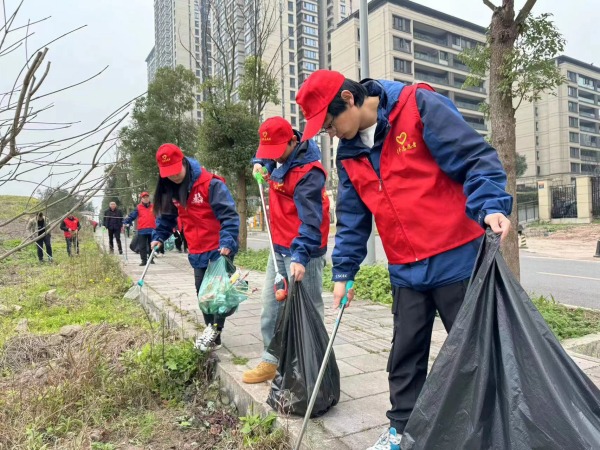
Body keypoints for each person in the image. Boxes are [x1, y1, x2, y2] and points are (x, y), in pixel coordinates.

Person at [296, 70, 513, 450]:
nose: (331, 134)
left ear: (349, 98)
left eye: (331, 124)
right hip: (405, 268)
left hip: (455, 258)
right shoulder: (349, 154)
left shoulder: (417, 106)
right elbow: (353, 217)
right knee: (405, 355)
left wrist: (491, 204)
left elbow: (474, 158)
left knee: (476, 351)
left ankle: (492, 428)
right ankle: (402, 430)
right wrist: (344, 271)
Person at [242, 116, 330, 384]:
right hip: (277, 245)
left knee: (308, 309)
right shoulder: (276, 150)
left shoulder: (309, 172)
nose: (273, 156)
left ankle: (315, 366)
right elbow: (265, 155)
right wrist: (260, 162)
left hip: (306, 249)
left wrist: (301, 255)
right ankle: (271, 360)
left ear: (293, 141)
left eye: (277, 151)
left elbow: (311, 220)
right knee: (272, 307)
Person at [150, 143, 240, 352]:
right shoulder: (171, 190)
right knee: (202, 294)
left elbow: (229, 216)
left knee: (217, 295)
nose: (172, 177)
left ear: (183, 161)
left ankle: (214, 332)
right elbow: (167, 218)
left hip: (219, 247)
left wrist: (227, 242)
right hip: (197, 248)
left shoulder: (211, 184)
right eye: (167, 174)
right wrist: (159, 237)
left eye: (175, 171)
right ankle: (212, 331)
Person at [124, 192, 156, 266]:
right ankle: (144, 260)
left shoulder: (153, 206)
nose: (146, 199)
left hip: (152, 229)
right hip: (142, 230)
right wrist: (126, 221)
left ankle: (151, 259)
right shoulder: (138, 207)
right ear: (141, 199)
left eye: (147, 197)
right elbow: (132, 216)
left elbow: (159, 216)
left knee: (152, 246)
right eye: (144, 197)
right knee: (142, 246)